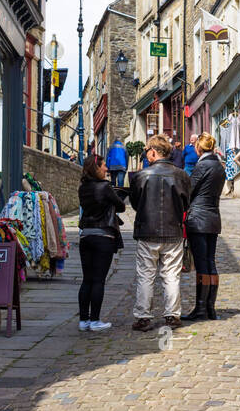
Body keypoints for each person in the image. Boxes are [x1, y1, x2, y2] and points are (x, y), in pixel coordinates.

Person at [128, 132, 191, 332]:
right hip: (173, 230)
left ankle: (143, 316)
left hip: (148, 230)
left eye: (147, 151)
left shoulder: (141, 176)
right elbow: (185, 203)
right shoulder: (181, 175)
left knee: (146, 274)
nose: (146, 155)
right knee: (171, 274)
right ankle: (172, 315)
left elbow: (136, 203)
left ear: (153, 152)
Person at [77, 154, 126, 332]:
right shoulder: (105, 187)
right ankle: (95, 320)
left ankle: (83, 320)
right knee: (98, 280)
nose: (106, 169)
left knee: (87, 280)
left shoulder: (83, 187)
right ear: (96, 168)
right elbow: (121, 206)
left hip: (86, 236)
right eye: (103, 166)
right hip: (103, 236)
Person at [183, 132, 227, 320]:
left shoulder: (202, 166)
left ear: (198, 148)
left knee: (201, 263)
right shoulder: (219, 166)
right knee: (210, 262)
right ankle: (210, 307)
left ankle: (201, 308)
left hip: (199, 218)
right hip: (213, 217)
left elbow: (188, 190)